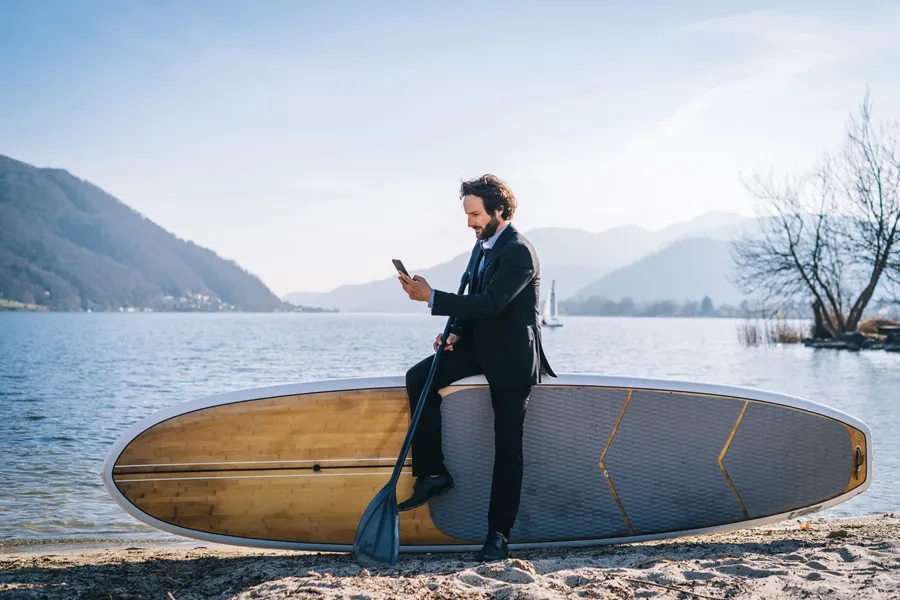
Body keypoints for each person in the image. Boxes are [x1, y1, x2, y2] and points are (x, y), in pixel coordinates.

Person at [396, 174, 555, 562]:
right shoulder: (482, 247)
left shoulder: (519, 251)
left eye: (476, 214)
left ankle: (498, 536)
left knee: (507, 448)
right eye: (467, 215)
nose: (470, 222)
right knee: (420, 377)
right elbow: (473, 301)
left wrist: (431, 296)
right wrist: (454, 336)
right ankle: (434, 473)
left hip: (513, 358)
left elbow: (493, 304)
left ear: (500, 209)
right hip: (479, 346)